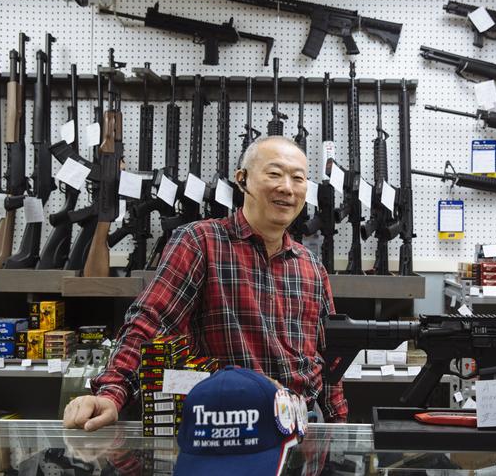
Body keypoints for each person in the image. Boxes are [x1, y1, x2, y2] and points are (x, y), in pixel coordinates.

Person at [63, 136, 348, 431]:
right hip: (225, 430)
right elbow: (150, 322)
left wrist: (341, 430)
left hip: (298, 429)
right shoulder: (200, 243)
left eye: (298, 178)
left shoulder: (311, 266)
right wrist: (111, 393)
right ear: (242, 180)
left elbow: (328, 359)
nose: (287, 188)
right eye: (274, 174)